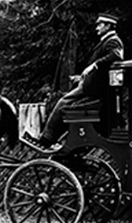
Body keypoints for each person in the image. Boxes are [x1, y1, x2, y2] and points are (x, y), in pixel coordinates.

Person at [33, 12, 125, 149]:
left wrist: (94, 65)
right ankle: (50, 138)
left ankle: (47, 139)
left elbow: (116, 55)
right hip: (90, 85)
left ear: (108, 26)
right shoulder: (106, 41)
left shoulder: (113, 41)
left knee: (62, 103)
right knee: (64, 103)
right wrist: (82, 77)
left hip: (94, 90)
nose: (97, 28)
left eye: (100, 25)